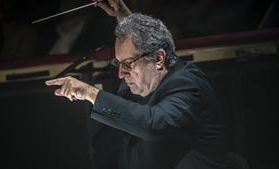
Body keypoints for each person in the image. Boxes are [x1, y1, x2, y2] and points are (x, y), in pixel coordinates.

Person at [45, 0, 226, 168]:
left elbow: (152, 124)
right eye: (119, 63)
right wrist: (122, 14)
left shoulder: (188, 84)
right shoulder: (148, 75)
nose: (121, 73)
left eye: (127, 64)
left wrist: (89, 93)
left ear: (158, 58)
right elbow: (139, 44)